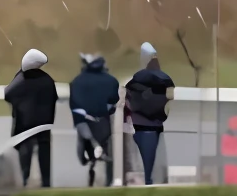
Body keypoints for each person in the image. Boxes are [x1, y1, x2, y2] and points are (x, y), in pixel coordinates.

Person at [6, 47, 56, 187]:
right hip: (45, 123)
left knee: (25, 151)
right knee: (44, 152)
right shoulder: (48, 80)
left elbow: (8, 94)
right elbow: (53, 98)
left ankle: (24, 179)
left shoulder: (21, 80)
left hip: (26, 123)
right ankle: (46, 182)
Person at [125, 42, 174, 185]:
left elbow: (129, 100)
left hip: (139, 124)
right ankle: (150, 180)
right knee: (152, 158)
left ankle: (147, 180)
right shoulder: (166, 79)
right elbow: (169, 101)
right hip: (157, 124)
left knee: (143, 158)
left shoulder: (135, 80)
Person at [70, 52, 119, 186]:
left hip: (85, 125)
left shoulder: (76, 82)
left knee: (90, 155)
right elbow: (113, 102)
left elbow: (75, 107)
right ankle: (108, 181)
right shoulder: (111, 81)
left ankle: (92, 178)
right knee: (108, 153)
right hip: (105, 124)